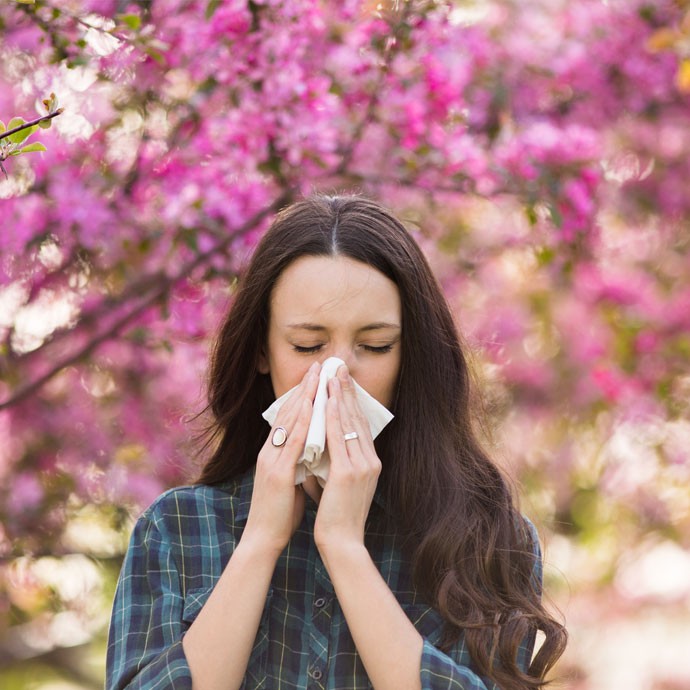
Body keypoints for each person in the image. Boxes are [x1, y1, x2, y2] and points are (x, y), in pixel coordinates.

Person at [106, 194, 567, 690]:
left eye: (374, 346)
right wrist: (260, 540)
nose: (337, 374)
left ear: (409, 355)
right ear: (262, 349)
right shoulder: (177, 529)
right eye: (307, 346)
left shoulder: (488, 540)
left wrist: (345, 547)